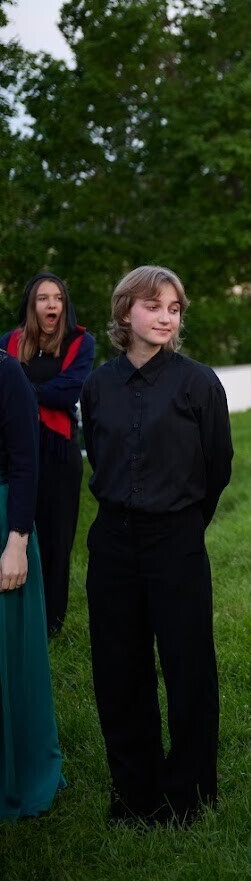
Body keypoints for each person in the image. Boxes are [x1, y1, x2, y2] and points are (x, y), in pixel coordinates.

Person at [80, 266, 233, 826]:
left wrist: (186, 523)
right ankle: (132, 792)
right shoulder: (99, 385)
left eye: (174, 308)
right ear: (126, 312)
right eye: (153, 306)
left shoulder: (198, 383)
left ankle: (189, 794)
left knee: (188, 666)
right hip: (113, 543)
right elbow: (97, 455)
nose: (166, 317)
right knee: (119, 669)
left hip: (176, 540)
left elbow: (218, 465)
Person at [5, 272, 95, 638]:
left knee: (57, 538)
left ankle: (50, 624)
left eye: (58, 297)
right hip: (14, 451)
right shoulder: (9, 342)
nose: (52, 304)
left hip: (58, 451)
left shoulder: (80, 341)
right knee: (16, 531)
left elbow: (68, 391)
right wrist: (39, 390)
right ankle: (17, 613)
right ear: (32, 304)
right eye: (43, 298)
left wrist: (20, 389)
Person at [0, 349, 64, 821]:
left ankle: (19, 771)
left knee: (10, 656)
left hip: (4, 525)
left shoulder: (6, 373)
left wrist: (17, 541)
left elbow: (26, 462)